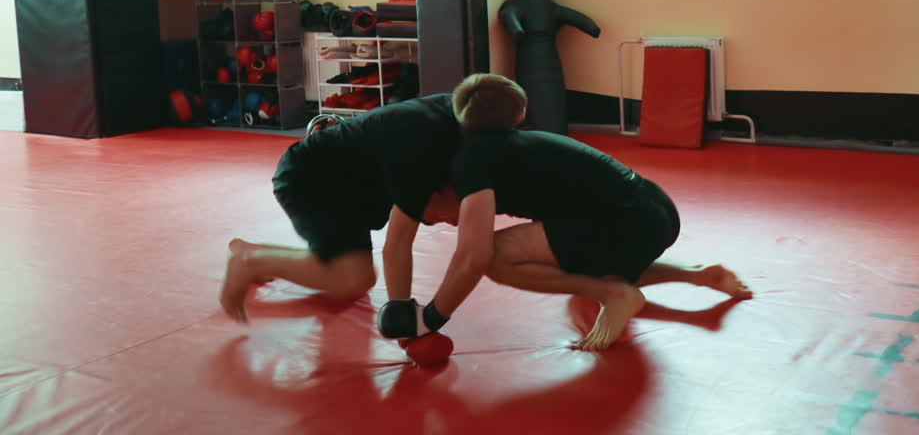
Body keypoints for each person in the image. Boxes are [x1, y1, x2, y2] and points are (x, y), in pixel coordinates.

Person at [375, 74, 752, 351]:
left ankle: (613, 294)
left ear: (441, 187)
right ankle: (698, 275)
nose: (439, 222)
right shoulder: (517, 147)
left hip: (625, 221)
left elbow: (472, 256)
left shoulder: (472, 161)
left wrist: (431, 319)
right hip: (654, 210)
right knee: (569, 260)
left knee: (497, 257)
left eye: (430, 215)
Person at [219, 94, 461, 322]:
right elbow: (397, 247)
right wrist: (403, 320)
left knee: (357, 275)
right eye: (448, 217)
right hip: (313, 178)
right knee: (353, 278)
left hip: (341, 185)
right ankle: (250, 262)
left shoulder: (448, 134)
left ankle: (253, 252)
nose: (453, 223)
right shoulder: (425, 158)